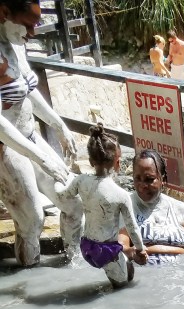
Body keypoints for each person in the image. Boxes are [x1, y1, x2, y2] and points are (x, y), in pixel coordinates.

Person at [0, 0, 82, 265]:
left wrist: (59, 125)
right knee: (33, 219)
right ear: (4, 12)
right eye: (28, 25)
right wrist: (42, 159)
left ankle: (74, 265)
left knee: (73, 203)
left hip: (31, 137)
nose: (33, 34)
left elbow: (27, 89)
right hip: (7, 148)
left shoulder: (17, 42)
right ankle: (31, 279)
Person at [55, 124, 148, 288]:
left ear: (91, 161)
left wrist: (56, 181)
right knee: (123, 288)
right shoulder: (121, 195)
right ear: (118, 162)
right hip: (107, 252)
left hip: (87, 248)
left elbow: (62, 194)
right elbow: (132, 228)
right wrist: (141, 250)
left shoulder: (81, 181)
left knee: (128, 269)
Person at [119, 149, 184, 265]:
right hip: (145, 279)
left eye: (149, 179)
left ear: (163, 179)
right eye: (137, 179)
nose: (142, 185)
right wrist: (133, 253)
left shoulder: (181, 209)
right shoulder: (126, 207)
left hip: (183, 277)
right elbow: (120, 250)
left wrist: (148, 249)